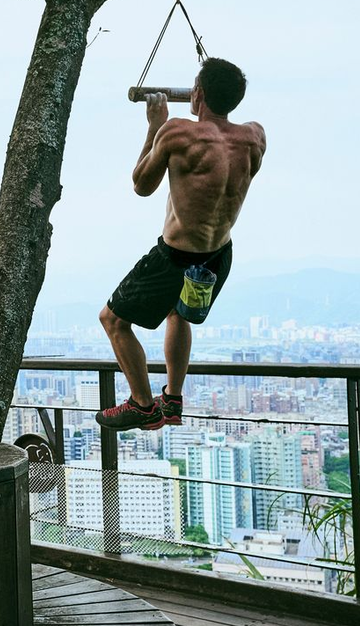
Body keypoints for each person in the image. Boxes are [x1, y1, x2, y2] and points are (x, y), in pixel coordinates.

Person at [96, 57, 266, 431]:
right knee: (178, 313)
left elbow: (142, 185)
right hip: (218, 255)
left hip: (175, 256)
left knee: (113, 320)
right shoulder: (254, 137)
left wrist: (154, 129)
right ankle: (172, 399)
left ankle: (142, 404)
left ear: (198, 93)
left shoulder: (178, 134)